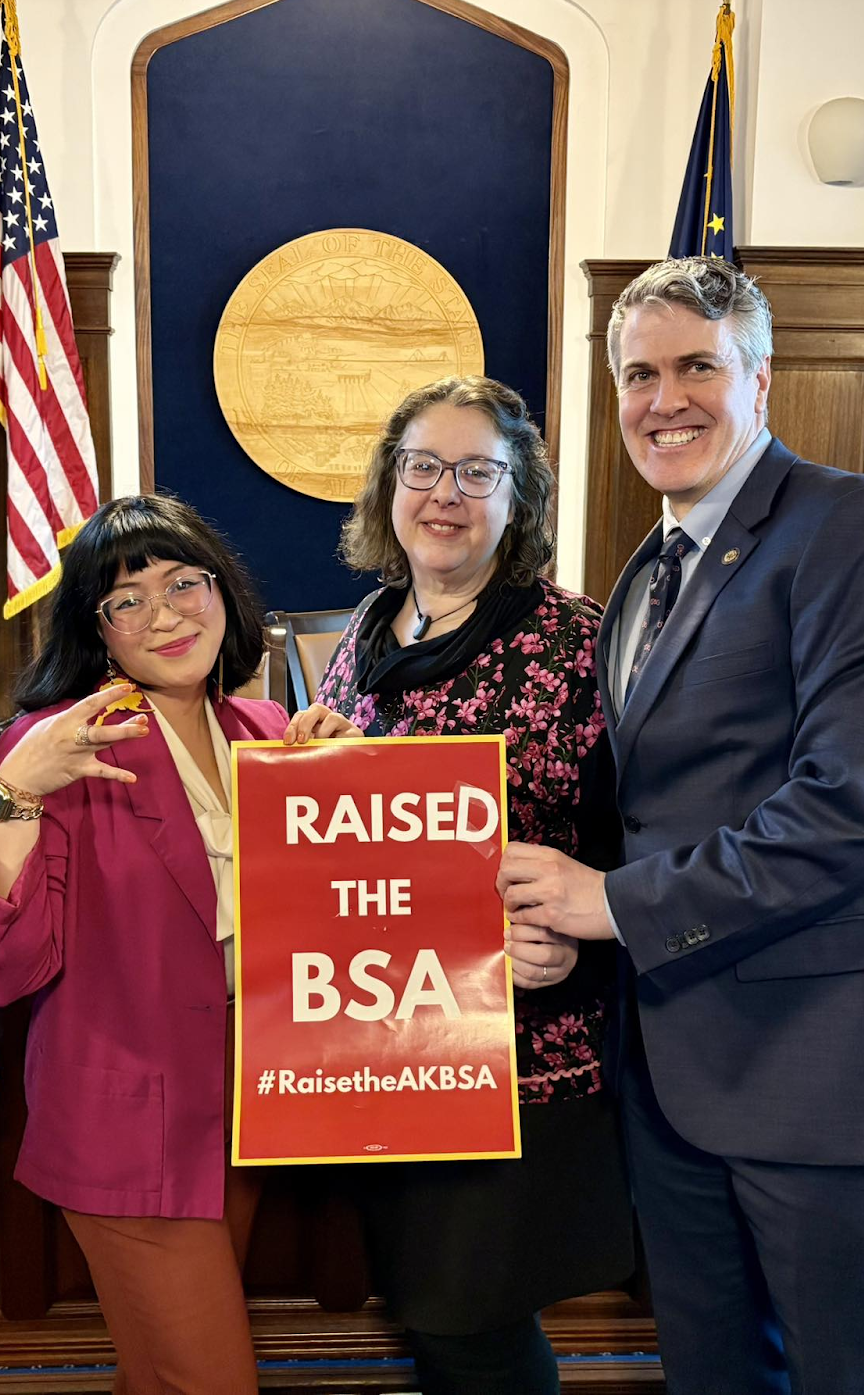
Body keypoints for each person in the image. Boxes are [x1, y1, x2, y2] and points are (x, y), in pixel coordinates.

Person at [497, 257, 864, 1395]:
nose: (662, 398)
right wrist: (559, 914)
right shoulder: (644, 568)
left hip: (825, 1066)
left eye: (695, 366)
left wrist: (608, 903)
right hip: (675, 1070)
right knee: (713, 1375)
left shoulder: (861, 532)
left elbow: (856, 808)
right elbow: (655, 802)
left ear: (760, 380)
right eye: (638, 372)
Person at [289, 376, 634, 1395]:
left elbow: (643, 837)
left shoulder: (578, 640)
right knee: (429, 1310)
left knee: (470, 1315)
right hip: (383, 1046)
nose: (444, 493)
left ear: (518, 496)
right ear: (388, 488)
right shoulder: (365, 628)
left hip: (519, 1051)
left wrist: (580, 932)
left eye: (476, 472)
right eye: (423, 467)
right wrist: (314, 760)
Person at [0, 493, 287, 1395]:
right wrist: (13, 792)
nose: (167, 613)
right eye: (127, 599)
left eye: (185, 582)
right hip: (125, 1126)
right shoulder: (59, 746)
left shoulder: (269, 734)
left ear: (225, 595)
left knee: (162, 1374)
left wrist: (342, 771)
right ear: (98, 633)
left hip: (246, 1111)